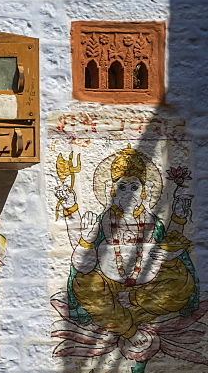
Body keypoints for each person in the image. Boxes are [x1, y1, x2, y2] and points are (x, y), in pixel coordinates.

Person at [55, 146, 197, 352]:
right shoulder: (103, 220)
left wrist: (177, 220)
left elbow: (172, 242)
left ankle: (125, 309)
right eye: (122, 188)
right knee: (84, 284)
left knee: (182, 282)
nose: (128, 194)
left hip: (148, 282)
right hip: (110, 281)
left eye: (134, 187)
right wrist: (74, 213)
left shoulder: (151, 221)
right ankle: (130, 329)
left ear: (144, 191)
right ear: (111, 190)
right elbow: (83, 261)